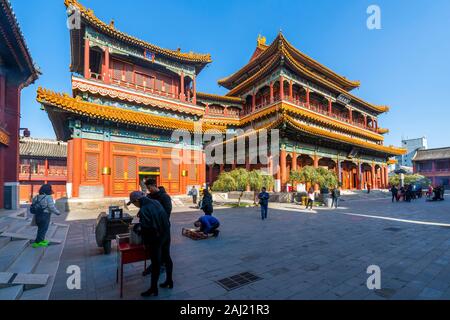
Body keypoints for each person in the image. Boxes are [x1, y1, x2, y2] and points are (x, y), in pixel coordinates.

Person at [128, 191, 173, 297]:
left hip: (156, 238)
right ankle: (169, 281)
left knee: (156, 263)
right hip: (166, 233)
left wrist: (135, 229)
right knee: (167, 258)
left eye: (134, 203)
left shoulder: (144, 209)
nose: (135, 205)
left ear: (137, 200)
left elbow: (147, 229)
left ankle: (153, 288)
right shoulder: (156, 202)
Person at [30, 184, 61, 248]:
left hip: (37, 215)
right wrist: (57, 212)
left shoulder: (36, 197)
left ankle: (40, 240)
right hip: (45, 215)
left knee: (40, 228)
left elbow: (33, 204)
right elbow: (51, 207)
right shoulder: (48, 197)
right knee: (44, 228)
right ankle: (39, 242)